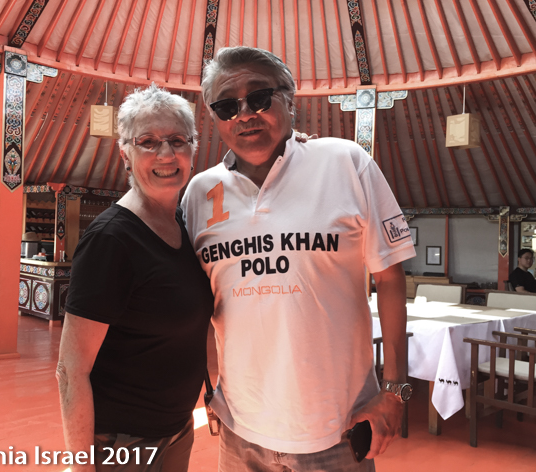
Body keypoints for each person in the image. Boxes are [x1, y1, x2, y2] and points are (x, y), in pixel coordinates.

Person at [181, 46, 416, 471]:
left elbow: (390, 277)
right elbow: (195, 302)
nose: (245, 114)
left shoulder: (346, 163)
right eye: (227, 106)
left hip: (339, 429)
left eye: (259, 98)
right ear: (215, 118)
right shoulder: (199, 193)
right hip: (239, 431)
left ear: (290, 101)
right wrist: (207, 389)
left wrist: (395, 390)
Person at [56, 84, 214, 472]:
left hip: (176, 431)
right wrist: (81, 466)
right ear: (125, 153)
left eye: (177, 140)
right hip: (124, 444)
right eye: (148, 142)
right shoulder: (112, 240)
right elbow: (70, 370)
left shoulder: (185, 224)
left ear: (193, 149)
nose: (166, 154)